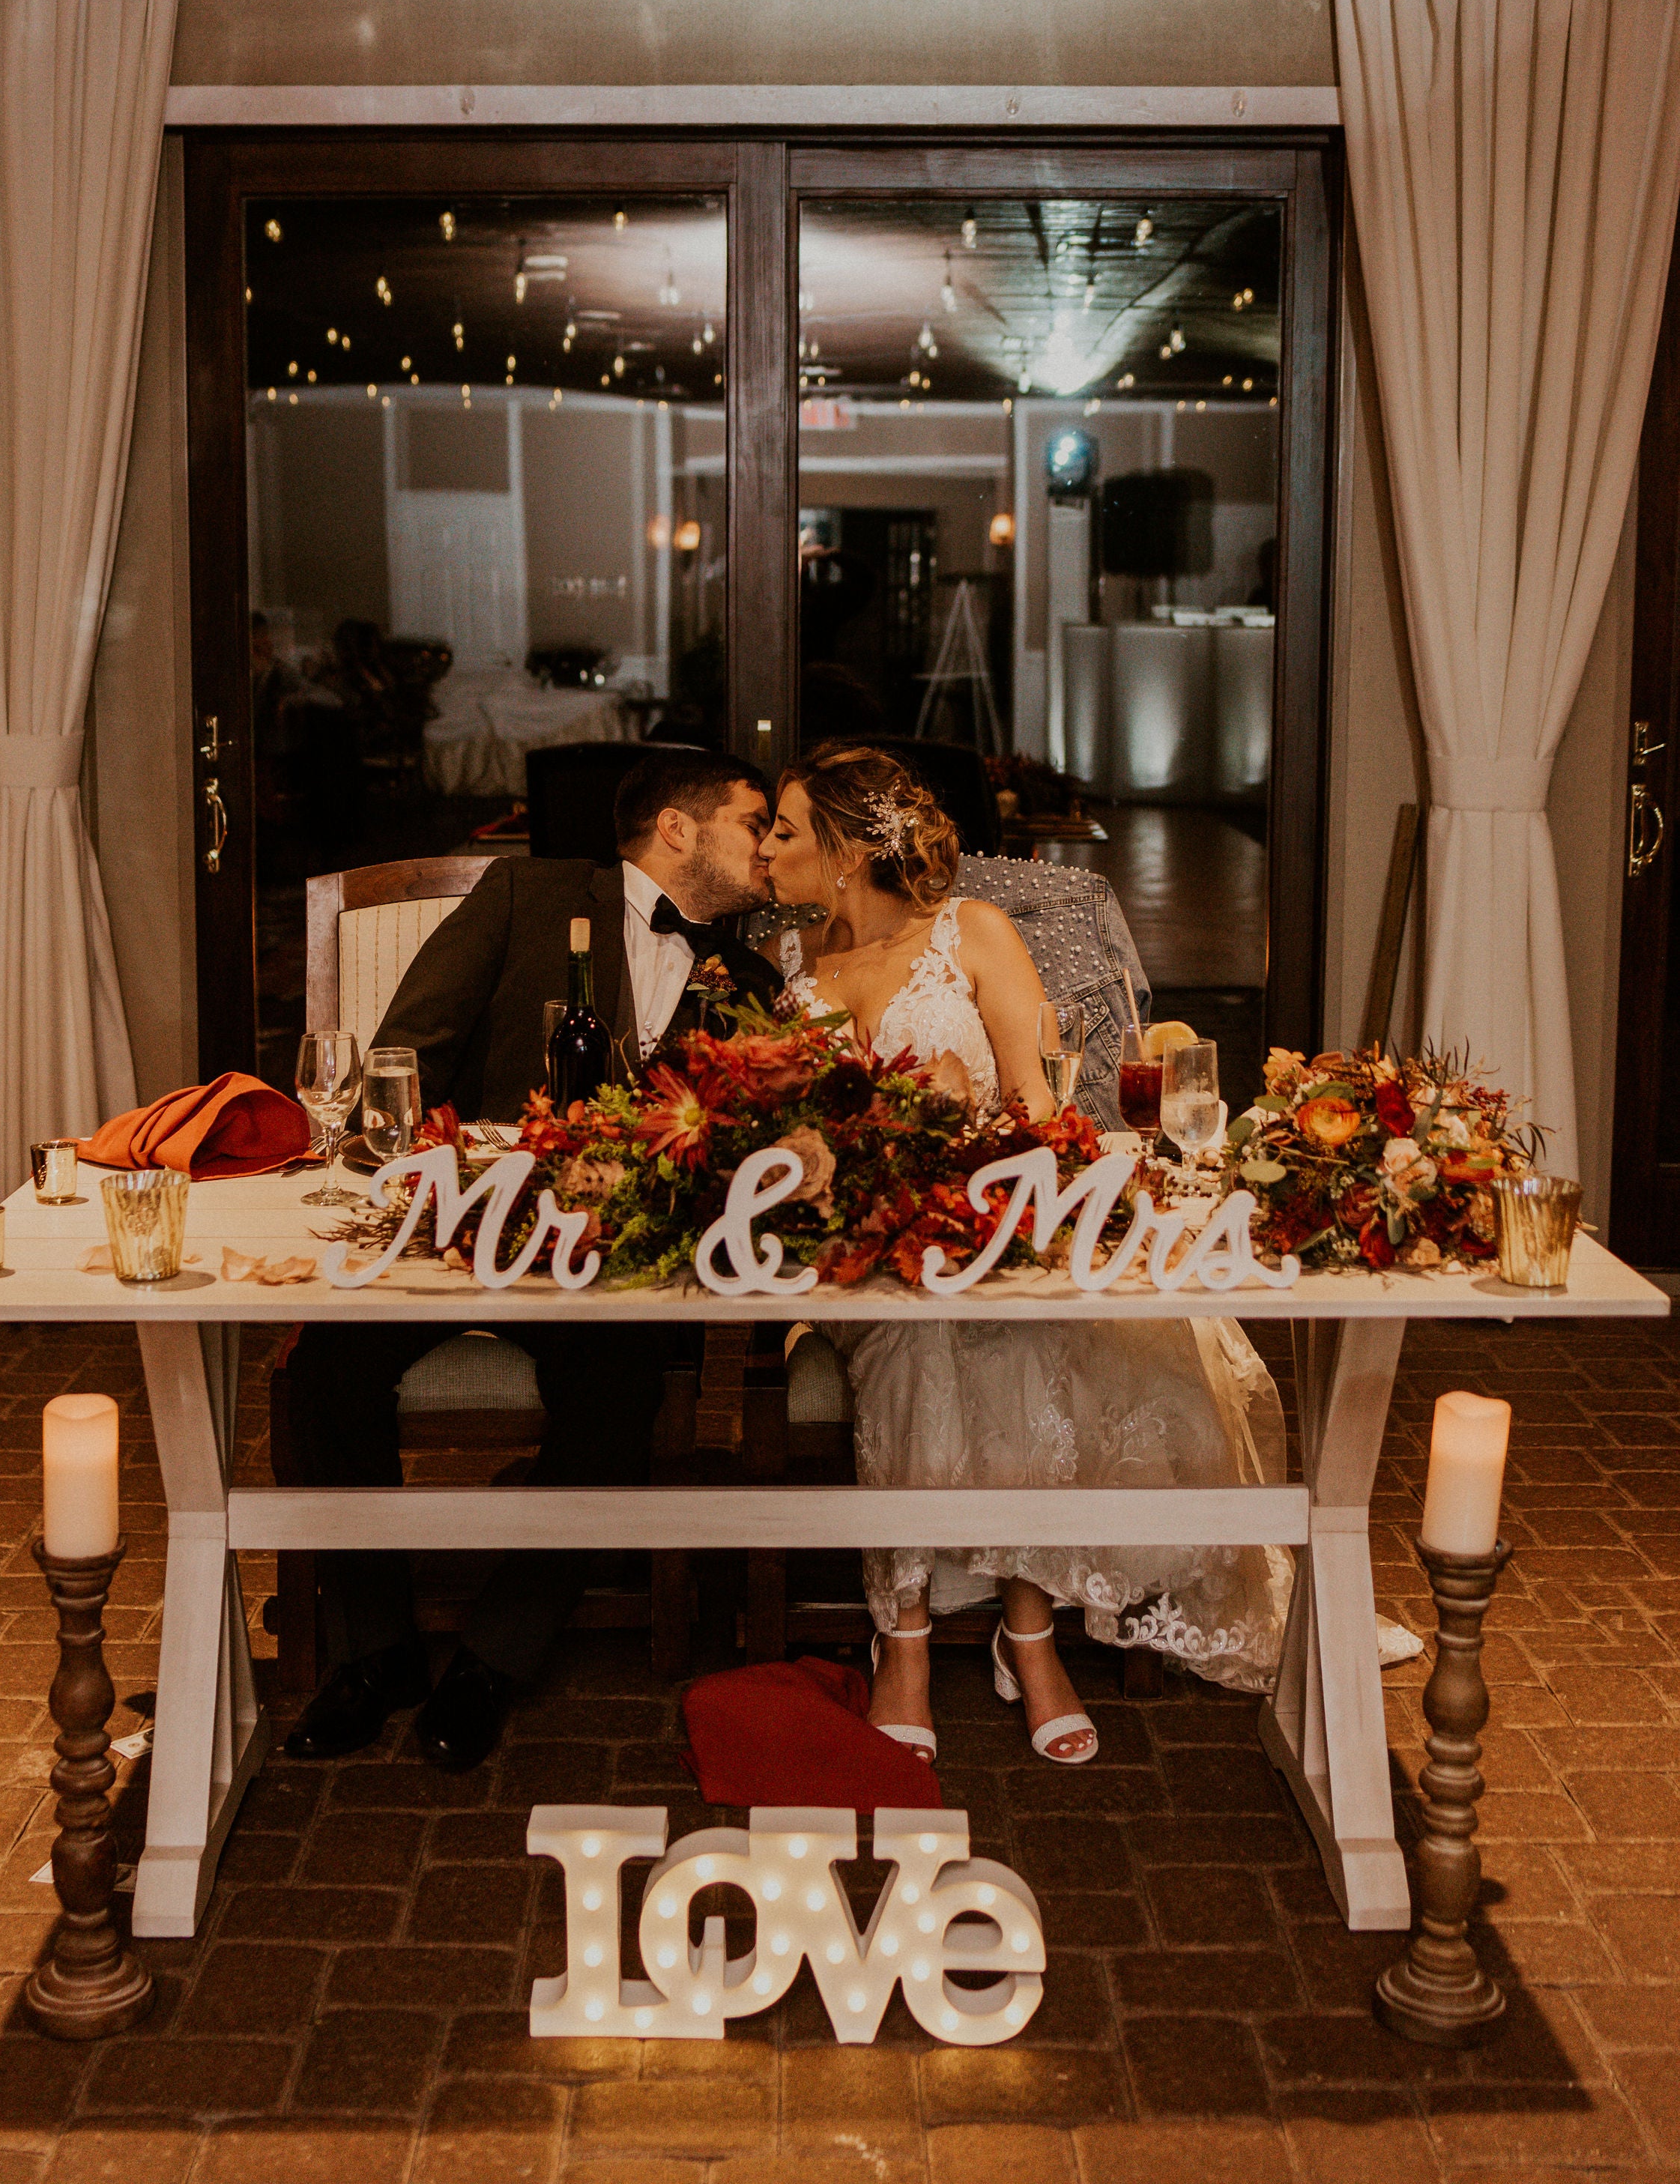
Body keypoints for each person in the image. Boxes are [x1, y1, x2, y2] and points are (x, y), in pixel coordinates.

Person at [759, 742, 1292, 1771]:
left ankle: (1016, 1625)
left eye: (786, 830)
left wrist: (965, 1154)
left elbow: (1042, 1110)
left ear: (843, 852)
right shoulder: (792, 965)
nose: (768, 848)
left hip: (990, 1225)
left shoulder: (976, 933)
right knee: (907, 1332)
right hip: (857, 1252)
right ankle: (914, 1637)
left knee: (981, 1332)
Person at [282, 746, 777, 1774]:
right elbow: (405, 1052)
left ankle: (494, 1658)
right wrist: (445, 1181)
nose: (769, 846)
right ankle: (375, 1653)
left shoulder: (750, 975)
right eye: (753, 820)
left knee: (618, 1394)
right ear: (678, 830)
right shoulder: (527, 894)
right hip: (466, 1224)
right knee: (325, 1370)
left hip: (611, 1262)